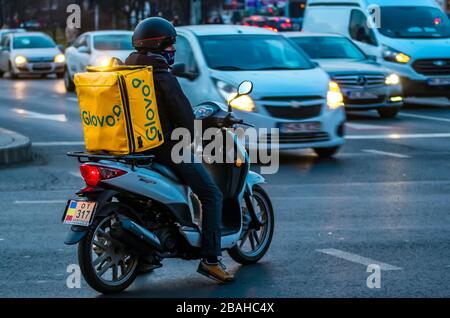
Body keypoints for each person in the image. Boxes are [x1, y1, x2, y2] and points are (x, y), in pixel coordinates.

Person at [125, 17, 234, 284]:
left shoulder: (127, 70)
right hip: (165, 148)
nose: (173, 50)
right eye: (171, 44)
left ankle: (145, 257)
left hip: (129, 146)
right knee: (211, 194)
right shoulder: (161, 74)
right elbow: (183, 116)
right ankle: (210, 260)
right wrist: (196, 129)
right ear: (159, 44)